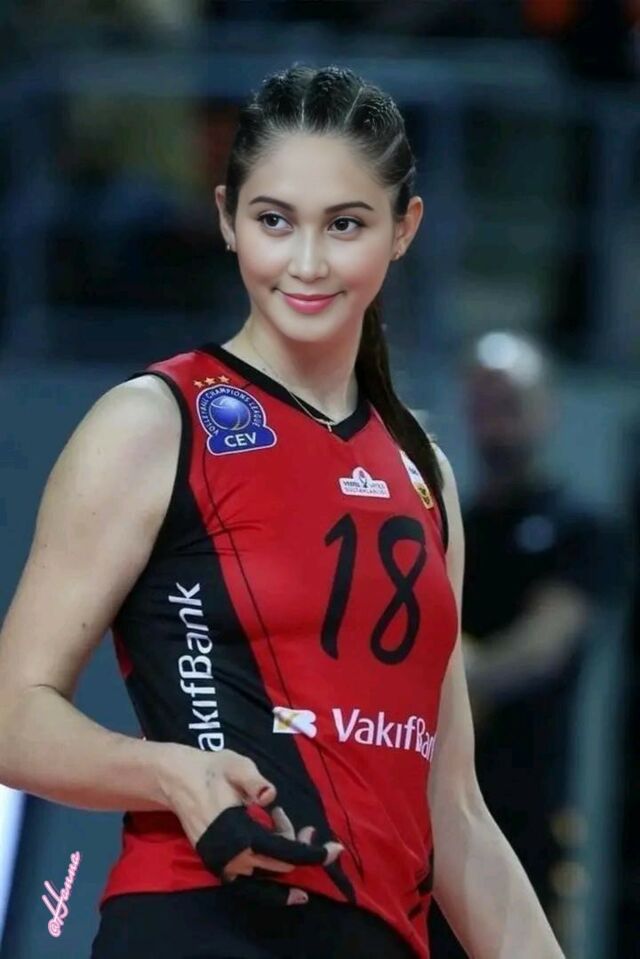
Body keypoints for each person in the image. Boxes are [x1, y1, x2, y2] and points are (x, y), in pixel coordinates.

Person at [0, 65, 565, 959]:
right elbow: (11, 713)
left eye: (345, 224)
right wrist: (170, 771)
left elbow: (453, 811)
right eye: (274, 220)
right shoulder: (156, 421)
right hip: (197, 923)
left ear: (404, 228)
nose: (306, 262)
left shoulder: (424, 473)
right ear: (228, 218)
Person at [429, 330, 625, 957]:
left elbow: (543, 646)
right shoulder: (445, 525)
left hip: (528, 807)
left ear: (546, 409)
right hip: (433, 807)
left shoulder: (578, 528)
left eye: (510, 403)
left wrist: (454, 679)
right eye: (483, 403)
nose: (496, 421)